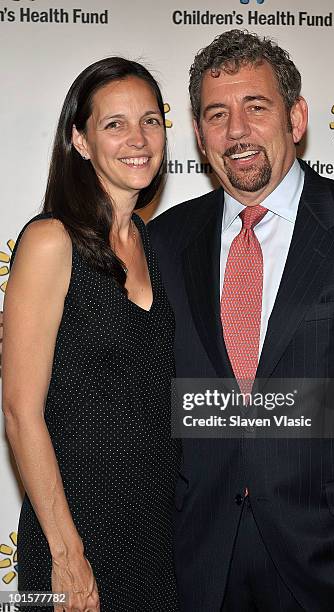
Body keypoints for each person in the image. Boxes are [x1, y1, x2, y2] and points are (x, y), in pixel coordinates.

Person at [148, 30, 334, 611]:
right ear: (199, 136)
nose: (237, 130)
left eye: (256, 106)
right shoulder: (166, 241)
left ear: (296, 118)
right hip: (199, 561)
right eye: (217, 114)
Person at [2, 57, 180, 612]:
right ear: (79, 140)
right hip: (73, 536)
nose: (138, 139)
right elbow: (19, 411)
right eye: (114, 124)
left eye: (151, 120)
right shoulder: (51, 241)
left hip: (156, 540)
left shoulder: (157, 246)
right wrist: (66, 553)